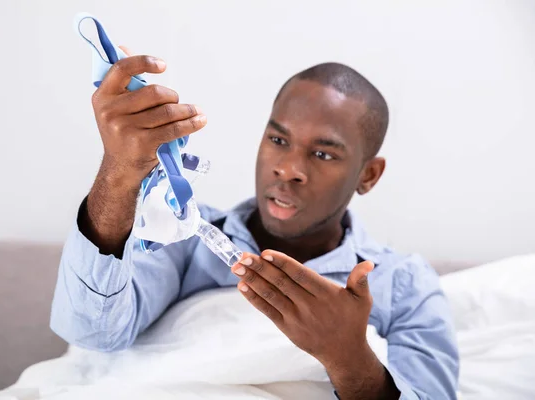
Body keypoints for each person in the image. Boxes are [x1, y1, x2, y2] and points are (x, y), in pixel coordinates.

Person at [50, 47, 459, 399]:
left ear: (368, 175)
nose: (288, 169)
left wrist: (349, 358)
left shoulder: (404, 286)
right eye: (278, 141)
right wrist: (119, 174)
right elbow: (92, 333)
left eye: (323, 154)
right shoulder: (183, 235)